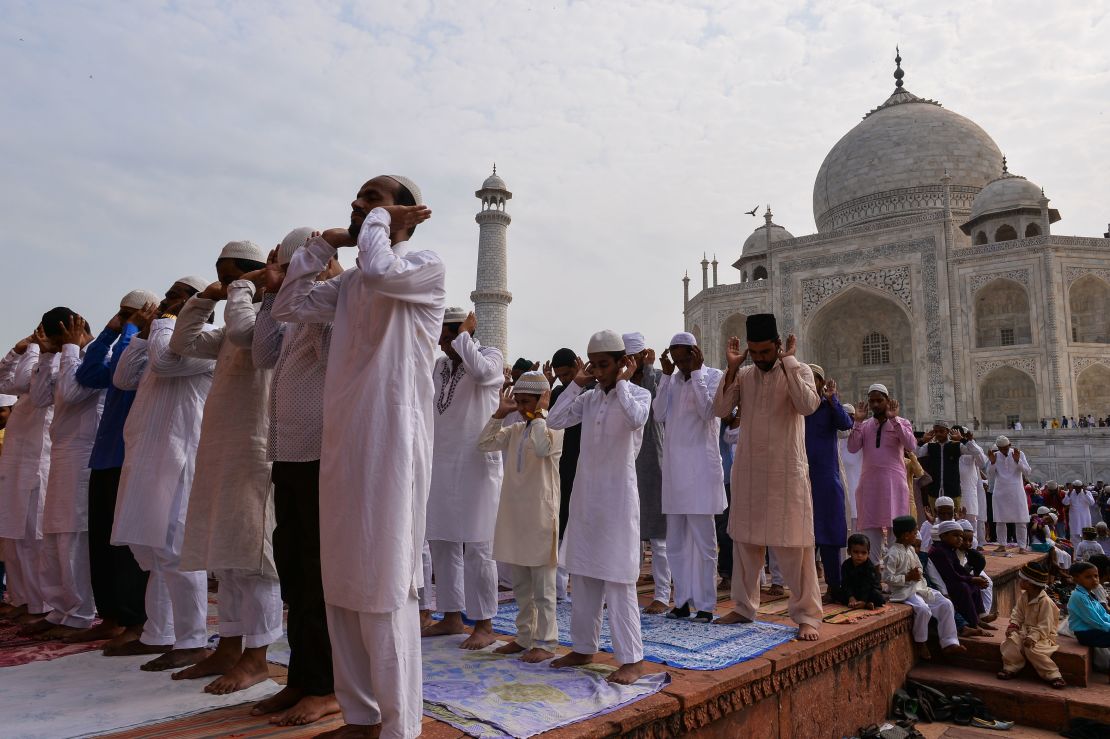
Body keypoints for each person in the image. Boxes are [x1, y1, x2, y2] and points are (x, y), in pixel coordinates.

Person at [272, 174, 439, 739]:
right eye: (358, 199)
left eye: (373, 199)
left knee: (386, 582)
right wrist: (320, 245)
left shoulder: (423, 269)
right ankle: (361, 713)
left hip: (390, 445)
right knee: (340, 580)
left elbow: (378, 268)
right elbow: (288, 305)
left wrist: (374, 226)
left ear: (408, 213)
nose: (359, 206)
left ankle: (398, 726)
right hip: (341, 445)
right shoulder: (345, 290)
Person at [169, 240, 280, 695]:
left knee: (255, 560)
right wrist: (207, 297)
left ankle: (258, 658)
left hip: (256, 448)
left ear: (255, 277)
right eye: (219, 271)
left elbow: (241, 334)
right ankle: (229, 648)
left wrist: (241, 291)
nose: (224, 278)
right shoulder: (235, 314)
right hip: (220, 448)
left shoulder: (272, 318)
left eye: (232, 272)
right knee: (227, 558)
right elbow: (183, 342)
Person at [247, 229, 343, 726]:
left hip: (322, 455)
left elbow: (337, 364)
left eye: (290, 270)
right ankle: (302, 679)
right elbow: (262, 354)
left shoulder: (332, 308)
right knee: (297, 572)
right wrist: (269, 293)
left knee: (319, 574)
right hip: (289, 452)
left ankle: (328, 686)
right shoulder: (294, 312)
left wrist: (308, 287)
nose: (283, 279)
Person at [108, 276, 215, 667]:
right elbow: (122, 378)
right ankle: (159, 633)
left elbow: (164, 364)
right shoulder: (159, 340)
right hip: (146, 454)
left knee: (177, 550)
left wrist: (165, 322)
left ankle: (191, 641)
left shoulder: (206, 340)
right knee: (150, 550)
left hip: (179, 457)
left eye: (175, 296)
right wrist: (139, 335)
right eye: (167, 296)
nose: (164, 302)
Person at [547, 330, 650, 684]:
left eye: (605, 365)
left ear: (623, 363)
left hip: (618, 498)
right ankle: (583, 647)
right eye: (594, 365)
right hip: (587, 495)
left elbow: (636, 419)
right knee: (584, 572)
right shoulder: (588, 399)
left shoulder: (638, 394)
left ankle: (632, 660)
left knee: (619, 577)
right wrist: (576, 383)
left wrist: (620, 384)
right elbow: (554, 420)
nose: (599, 371)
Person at [712, 313, 823, 641]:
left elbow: (807, 405)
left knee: (794, 545)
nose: (760, 359)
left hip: (785, 472)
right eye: (754, 353)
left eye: (765, 352)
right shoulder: (744, 376)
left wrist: (788, 364)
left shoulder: (798, 370)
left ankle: (806, 616)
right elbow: (720, 410)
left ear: (778, 345)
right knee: (745, 542)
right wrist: (732, 368)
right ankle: (744, 607)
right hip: (748, 470)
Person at [65, 289, 158, 647]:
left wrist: (132, 330)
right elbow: (88, 375)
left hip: (128, 456)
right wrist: (108, 331)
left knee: (124, 549)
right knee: (101, 543)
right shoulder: (125, 342)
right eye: (122, 313)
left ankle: (134, 618)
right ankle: (112, 614)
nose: (125, 319)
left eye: (130, 313)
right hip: (103, 457)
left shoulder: (146, 348)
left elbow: (122, 369)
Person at [421, 307, 504, 650]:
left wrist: (465, 336)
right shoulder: (441, 365)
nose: (440, 343)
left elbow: (484, 375)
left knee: (478, 545)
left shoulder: (490, 355)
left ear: (460, 334)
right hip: (440, 460)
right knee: (442, 541)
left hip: (476, 463)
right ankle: (452, 616)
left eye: (446, 336)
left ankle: (483, 624)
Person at [24, 309, 103, 640]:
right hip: (61, 453)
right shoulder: (62, 357)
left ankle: (81, 612)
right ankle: (60, 608)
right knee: (54, 534)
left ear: (75, 329)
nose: (55, 347)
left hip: (84, 455)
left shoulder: (100, 356)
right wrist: (45, 356)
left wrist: (70, 349)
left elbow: (72, 393)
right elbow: (41, 398)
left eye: (57, 340)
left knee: (73, 535)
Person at [480, 372, 563, 662]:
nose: (521, 407)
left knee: (543, 588)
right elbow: (485, 444)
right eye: (519, 401)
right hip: (515, 517)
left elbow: (542, 448)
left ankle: (546, 642)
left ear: (541, 400)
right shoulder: (514, 430)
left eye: (527, 401)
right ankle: (525, 637)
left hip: (541, 516)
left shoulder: (553, 426)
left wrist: (540, 414)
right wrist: (499, 414)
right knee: (522, 586)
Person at [654, 332, 725, 623]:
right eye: (676, 358)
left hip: (701, 472)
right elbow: (658, 414)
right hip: (674, 472)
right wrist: (667, 379)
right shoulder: (671, 380)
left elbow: (709, 411)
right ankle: (682, 601)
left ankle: (706, 604)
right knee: (676, 543)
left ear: (696, 353)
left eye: (685, 357)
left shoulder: (714, 376)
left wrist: (695, 374)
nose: (681, 363)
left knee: (705, 543)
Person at [0, 329, 54, 625]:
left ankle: (42, 603)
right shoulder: (20, 393)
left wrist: (38, 352)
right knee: (12, 537)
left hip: (39, 467)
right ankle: (23, 599)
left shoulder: (56, 367)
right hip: (14, 468)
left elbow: (30, 384)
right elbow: (4, 380)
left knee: (35, 539)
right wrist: (18, 349)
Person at [623, 332, 670, 615]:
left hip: (654, 460)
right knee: (628, 532)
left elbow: (656, 407)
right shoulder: (620, 384)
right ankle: (625, 589)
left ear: (644, 355)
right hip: (627, 461)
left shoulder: (659, 379)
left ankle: (662, 595)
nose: (631, 363)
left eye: (635, 358)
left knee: (658, 535)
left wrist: (652, 370)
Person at [848, 384, 917, 563]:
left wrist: (894, 420)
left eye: (880, 400)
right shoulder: (864, 426)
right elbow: (852, 447)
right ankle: (874, 580)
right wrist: (857, 422)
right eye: (872, 401)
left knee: (897, 532)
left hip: (894, 485)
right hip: (870, 485)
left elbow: (911, 446)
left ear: (888, 401)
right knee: (871, 533)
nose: (876, 404)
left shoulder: (901, 423)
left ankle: (897, 580)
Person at [882, 516, 964, 659]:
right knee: (923, 610)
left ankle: (949, 642)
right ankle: (921, 644)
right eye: (914, 532)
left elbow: (919, 567)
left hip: (920, 587)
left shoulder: (911, 550)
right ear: (905, 535)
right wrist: (907, 577)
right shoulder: (893, 553)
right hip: (905, 592)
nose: (916, 535)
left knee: (946, 603)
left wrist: (917, 573)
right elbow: (887, 578)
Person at [803, 365, 853, 594]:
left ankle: (835, 584)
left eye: (812, 379)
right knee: (801, 534)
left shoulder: (828, 407)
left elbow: (846, 424)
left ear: (821, 383)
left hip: (824, 476)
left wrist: (833, 400)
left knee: (829, 531)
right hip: (800, 476)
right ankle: (805, 589)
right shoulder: (797, 407)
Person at [544, 348, 589, 601]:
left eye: (568, 374)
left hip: (590, 468)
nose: (564, 379)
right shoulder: (561, 393)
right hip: (564, 468)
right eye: (560, 376)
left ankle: (587, 588)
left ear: (577, 365)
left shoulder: (593, 389)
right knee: (561, 525)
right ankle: (559, 590)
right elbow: (552, 420)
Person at [998, 562, 1064, 688]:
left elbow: (1046, 625)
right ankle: (1011, 667)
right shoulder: (1024, 597)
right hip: (1024, 631)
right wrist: (1014, 625)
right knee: (1011, 641)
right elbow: (1017, 613)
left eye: (1021, 579)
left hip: (1042, 636)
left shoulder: (1046, 602)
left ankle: (1054, 675)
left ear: (1028, 583)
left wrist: (1033, 637)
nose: (1019, 581)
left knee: (1033, 650)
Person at [928, 520, 989, 632]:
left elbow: (959, 569)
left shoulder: (949, 549)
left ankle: (979, 617)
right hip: (945, 585)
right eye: (955, 535)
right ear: (943, 536)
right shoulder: (939, 551)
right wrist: (972, 579)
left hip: (952, 581)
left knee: (974, 586)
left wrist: (973, 579)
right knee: (964, 587)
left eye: (961, 536)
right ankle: (973, 624)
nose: (960, 539)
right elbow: (952, 575)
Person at [988, 436, 1032, 551]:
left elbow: (1027, 471)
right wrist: (992, 462)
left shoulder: (1019, 454)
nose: (1003, 451)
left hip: (1016, 490)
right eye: (1001, 448)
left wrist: (1018, 461)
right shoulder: (995, 455)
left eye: (1005, 448)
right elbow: (990, 474)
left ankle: (1022, 546)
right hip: (1000, 491)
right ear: (998, 447)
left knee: (1021, 520)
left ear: (1010, 445)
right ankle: (1002, 544)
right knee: (1000, 520)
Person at [916, 421, 969, 507]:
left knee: (954, 518)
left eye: (941, 431)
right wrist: (923, 441)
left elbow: (975, 452)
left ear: (947, 431)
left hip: (952, 491)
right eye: (936, 432)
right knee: (935, 519)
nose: (938, 434)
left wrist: (962, 439)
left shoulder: (957, 446)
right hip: (934, 491)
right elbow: (915, 453)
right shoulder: (930, 446)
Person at [829, 534, 885, 610]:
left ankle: (866, 603)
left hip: (868, 592)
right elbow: (845, 583)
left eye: (863, 553)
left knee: (878, 596)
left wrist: (863, 600)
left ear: (868, 553)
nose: (859, 555)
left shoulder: (870, 566)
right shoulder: (846, 565)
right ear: (849, 551)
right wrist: (850, 597)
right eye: (856, 552)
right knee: (834, 591)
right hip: (853, 591)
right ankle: (857, 603)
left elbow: (868, 585)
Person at [1066, 561, 1110, 649]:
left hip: (1095, 630)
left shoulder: (1090, 594)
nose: (1094, 579)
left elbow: (1103, 615)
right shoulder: (1078, 596)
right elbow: (1095, 620)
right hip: (1087, 634)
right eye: (1088, 577)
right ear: (1076, 579)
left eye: (1096, 576)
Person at [955, 427, 988, 539]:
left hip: (969, 490)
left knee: (971, 520)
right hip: (953, 490)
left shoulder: (971, 448)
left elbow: (982, 462)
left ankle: (973, 545)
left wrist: (967, 442)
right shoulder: (950, 447)